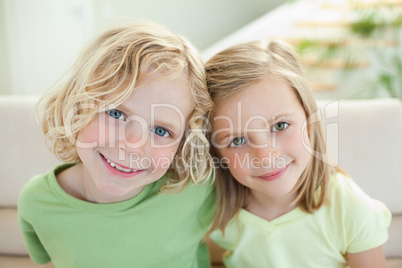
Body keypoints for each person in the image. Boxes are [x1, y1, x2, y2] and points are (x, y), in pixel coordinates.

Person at [18, 22, 216, 268]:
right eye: (115, 113)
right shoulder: (37, 202)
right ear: (77, 106)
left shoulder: (198, 185)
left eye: (161, 130)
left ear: (183, 143)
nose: (132, 145)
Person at [205, 40, 391, 268]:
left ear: (309, 120)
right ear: (216, 152)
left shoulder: (349, 207)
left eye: (280, 126)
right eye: (237, 140)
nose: (265, 157)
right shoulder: (215, 206)